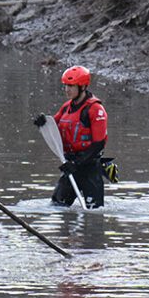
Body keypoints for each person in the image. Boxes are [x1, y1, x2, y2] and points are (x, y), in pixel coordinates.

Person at [34, 65, 108, 208]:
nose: (67, 90)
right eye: (66, 85)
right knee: (57, 205)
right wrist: (42, 122)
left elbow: (99, 144)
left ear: (82, 87)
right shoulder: (66, 107)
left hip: (89, 167)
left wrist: (77, 163)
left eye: (71, 86)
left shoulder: (95, 110)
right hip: (70, 166)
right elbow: (53, 127)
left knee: (94, 211)